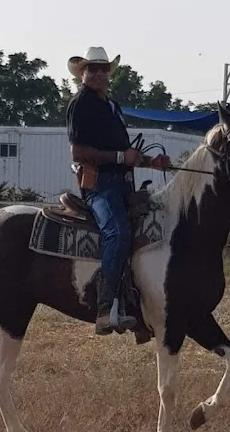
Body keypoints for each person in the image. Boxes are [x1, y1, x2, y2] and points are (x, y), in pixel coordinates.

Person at [66, 46, 172, 336]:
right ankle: (104, 309)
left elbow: (126, 154)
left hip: (123, 185)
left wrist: (152, 162)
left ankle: (137, 303)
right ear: (82, 73)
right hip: (100, 186)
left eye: (103, 69)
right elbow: (77, 152)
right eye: (93, 69)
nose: (99, 74)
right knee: (118, 232)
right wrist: (120, 157)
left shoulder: (112, 106)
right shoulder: (80, 104)